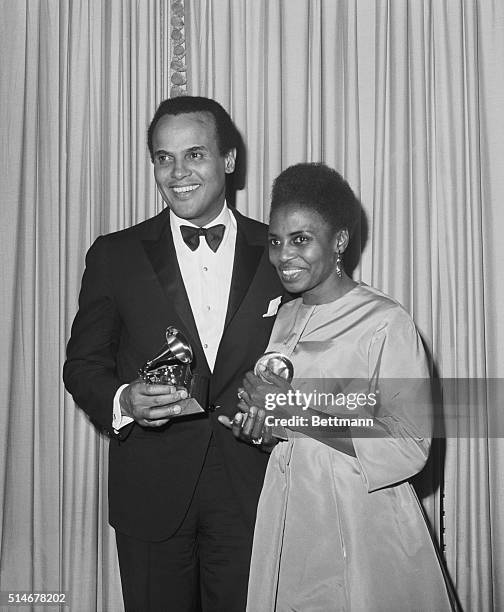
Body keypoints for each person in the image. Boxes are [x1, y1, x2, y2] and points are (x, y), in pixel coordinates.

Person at [63, 96, 284, 612]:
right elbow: (83, 364)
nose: (177, 172)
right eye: (164, 157)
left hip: (254, 489)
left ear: (228, 160)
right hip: (150, 492)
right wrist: (124, 401)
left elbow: (311, 356)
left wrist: (282, 408)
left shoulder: (280, 252)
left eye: (195, 155)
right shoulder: (114, 255)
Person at [222, 163, 456, 611]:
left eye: (301, 240)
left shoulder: (385, 320)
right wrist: (262, 429)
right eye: (276, 241)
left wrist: (291, 410)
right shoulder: (284, 316)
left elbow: (409, 443)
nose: (283, 255)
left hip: (359, 515)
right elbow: (293, 433)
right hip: (288, 512)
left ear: (340, 242)